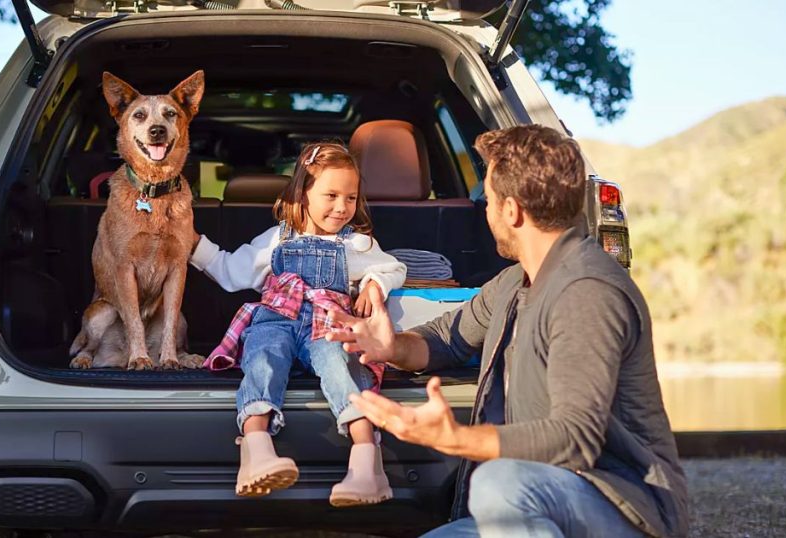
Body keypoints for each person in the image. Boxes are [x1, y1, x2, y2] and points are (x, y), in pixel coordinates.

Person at [326, 125, 689, 537]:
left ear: (512, 211)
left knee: (499, 484)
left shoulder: (586, 291)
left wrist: (456, 438)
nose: (485, 208)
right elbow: (446, 338)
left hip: (620, 506)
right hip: (545, 500)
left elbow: (576, 438)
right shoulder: (514, 282)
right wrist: (391, 345)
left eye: (489, 198)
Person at [189, 142, 407, 506]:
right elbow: (229, 270)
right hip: (277, 317)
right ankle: (257, 451)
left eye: (351, 197)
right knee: (262, 358)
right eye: (331, 195)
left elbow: (394, 267)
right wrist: (192, 244)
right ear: (302, 192)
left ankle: (367, 465)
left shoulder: (356, 243)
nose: (342, 207)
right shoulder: (276, 238)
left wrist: (374, 282)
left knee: (342, 365)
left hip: (327, 322)